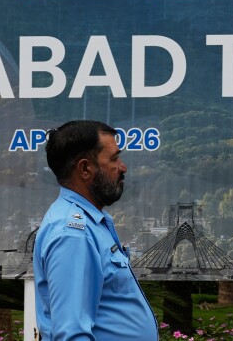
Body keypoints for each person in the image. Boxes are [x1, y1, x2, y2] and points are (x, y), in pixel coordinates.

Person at [33, 120, 157, 340]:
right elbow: (72, 334)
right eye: (114, 158)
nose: (123, 167)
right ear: (85, 168)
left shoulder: (89, 223)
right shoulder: (73, 234)